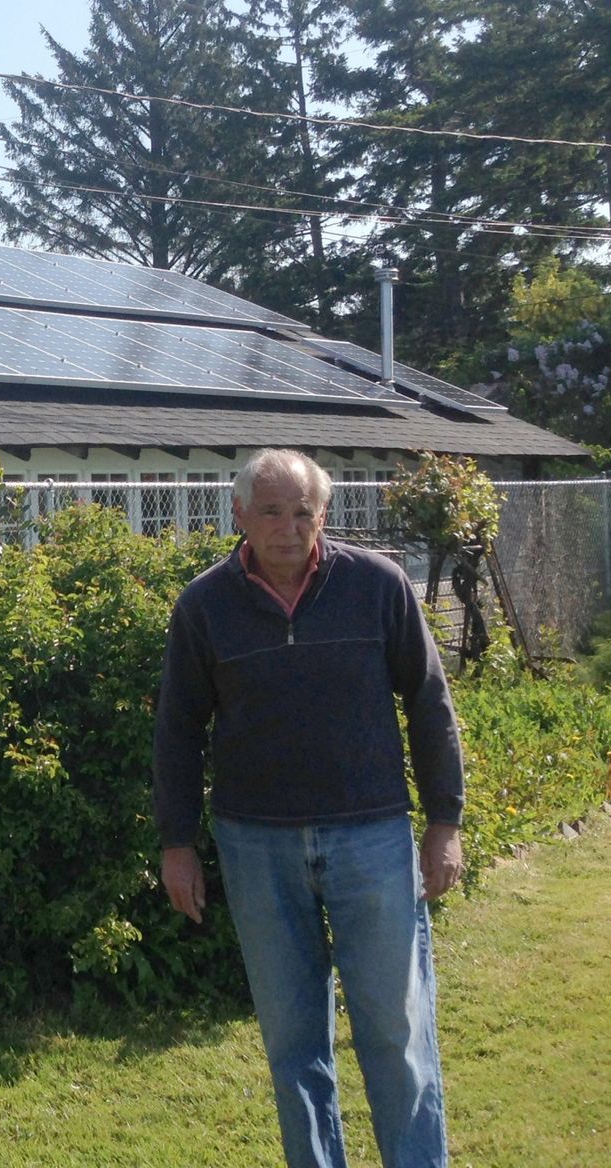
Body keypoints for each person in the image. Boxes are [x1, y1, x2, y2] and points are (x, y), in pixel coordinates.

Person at [153, 448, 464, 1168]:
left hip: (373, 838)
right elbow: (176, 728)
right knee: (294, 1042)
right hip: (255, 844)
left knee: (395, 1030)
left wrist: (444, 822)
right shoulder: (204, 607)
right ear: (238, 515)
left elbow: (429, 703)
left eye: (303, 512)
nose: (289, 528)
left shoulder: (377, 586)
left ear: (324, 515)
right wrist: (176, 841)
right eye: (271, 510)